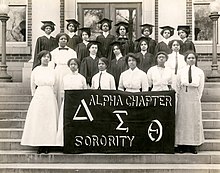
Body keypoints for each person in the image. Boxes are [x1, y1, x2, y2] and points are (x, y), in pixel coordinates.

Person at [21, 50, 59, 154]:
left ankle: (48, 144)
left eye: (48, 57)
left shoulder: (52, 70)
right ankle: (39, 144)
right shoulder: (36, 70)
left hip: (49, 95)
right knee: (39, 119)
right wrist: (35, 96)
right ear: (40, 58)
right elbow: (32, 85)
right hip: (39, 95)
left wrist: (53, 94)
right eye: (44, 57)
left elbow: (55, 85)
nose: (46, 59)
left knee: (49, 119)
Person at [175, 51, 205, 154]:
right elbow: (177, 85)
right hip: (183, 95)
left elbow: (201, 87)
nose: (191, 60)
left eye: (193, 58)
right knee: (182, 120)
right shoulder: (181, 71)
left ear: (195, 59)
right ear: (186, 60)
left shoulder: (199, 72)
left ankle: (193, 145)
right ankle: (181, 145)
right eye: (189, 58)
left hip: (194, 96)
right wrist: (180, 95)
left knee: (193, 119)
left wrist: (197, 97)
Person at [56, 58, 87, 146]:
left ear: (78, 66)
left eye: (75, 64)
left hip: (78, 104)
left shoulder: (82, 78)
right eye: (71, 64)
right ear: (69, 66)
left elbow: (85, 91)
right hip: (67, 102)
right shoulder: (65, 78)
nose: (73, 66)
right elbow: (62, 91)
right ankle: (63, 142)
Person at [49, 33, 77, 110]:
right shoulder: (53, 52)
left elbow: (75, 64)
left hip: (68, 70)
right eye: (61, 39)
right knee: (58, 89)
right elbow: (51, 66)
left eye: (65, 39)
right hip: (58, 71)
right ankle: (58, 109)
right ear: (58, 40)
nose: (63, 40)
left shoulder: (72, 52)